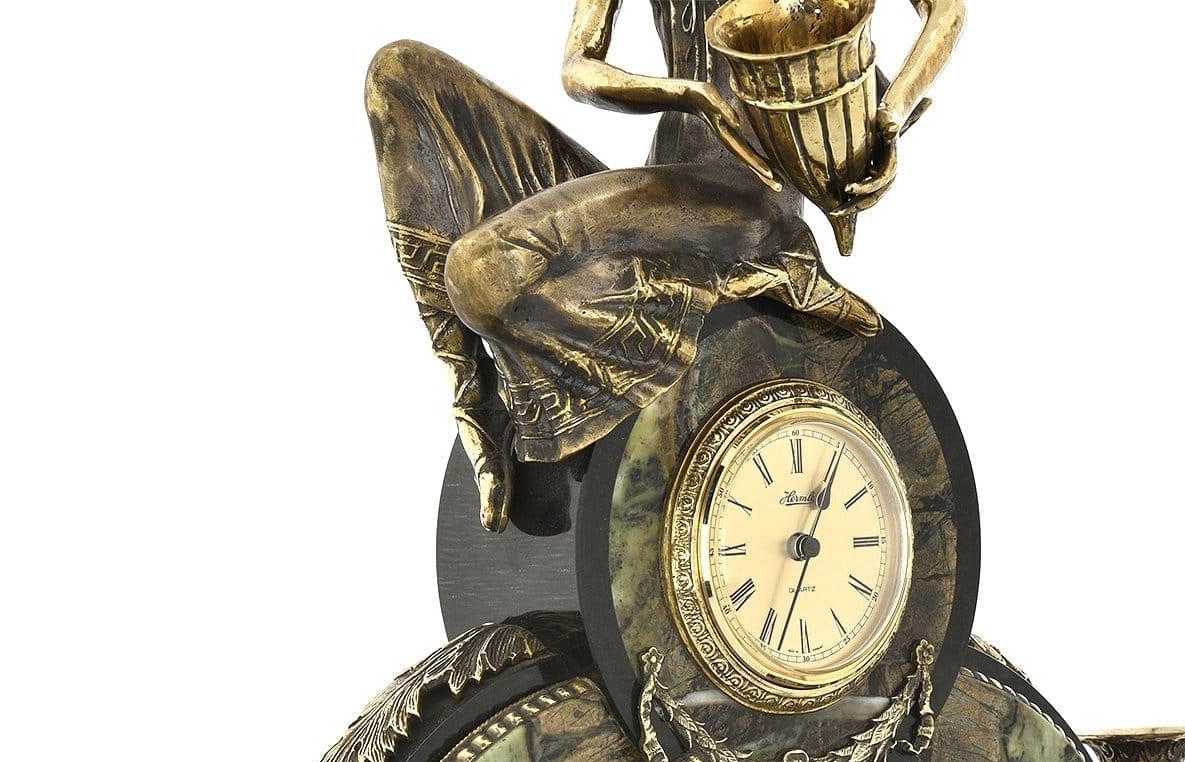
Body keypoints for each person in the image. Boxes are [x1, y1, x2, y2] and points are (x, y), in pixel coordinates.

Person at [367, 0, 963, 531]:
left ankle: (597, 380)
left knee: (480, 273)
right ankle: (476, 398)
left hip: (745, 205)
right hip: (659, 195)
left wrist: (888, 115)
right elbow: (579, 69)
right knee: (399, 74)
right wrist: (686, 94)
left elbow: (946, 11)